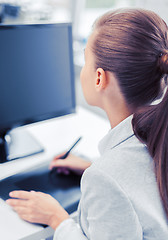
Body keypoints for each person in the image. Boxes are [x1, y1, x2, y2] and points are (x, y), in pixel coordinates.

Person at [6, 8, 168, 239]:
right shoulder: (159, 134)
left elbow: (120, 181)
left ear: (99, 78)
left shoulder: (106, 177)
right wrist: (92, 167)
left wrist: (56, 218)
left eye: (86, 60)